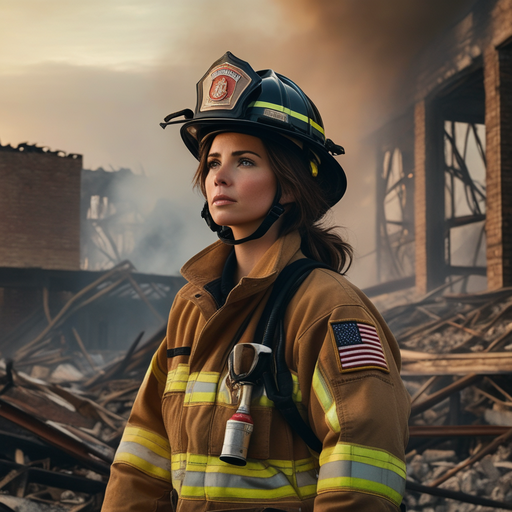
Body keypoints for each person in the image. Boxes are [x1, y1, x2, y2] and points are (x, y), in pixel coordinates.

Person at [102, 52, 410, 512]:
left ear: (288, 185)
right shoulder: (192, 307)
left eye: (244, 162)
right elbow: (141, 460)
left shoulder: (328, 310)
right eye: (212, 162)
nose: (219, 177)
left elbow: (363, 477)